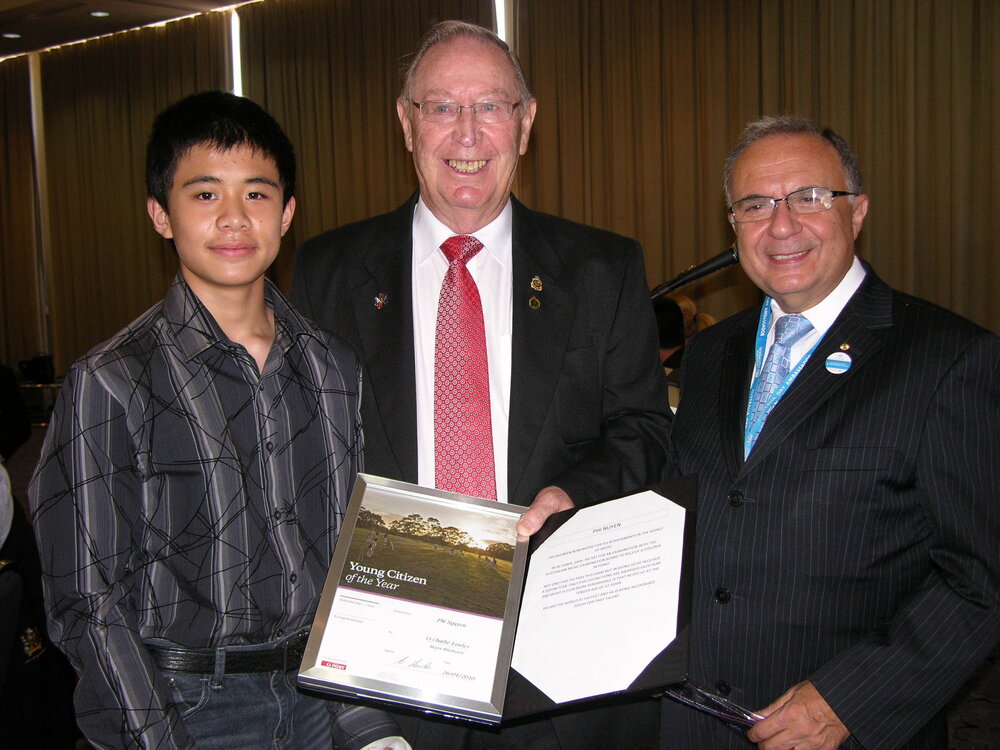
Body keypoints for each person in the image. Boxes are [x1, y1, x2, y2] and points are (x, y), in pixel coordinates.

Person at [293, 20, 670, 750]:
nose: (467, 134)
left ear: (526, 124)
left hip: (556, 655)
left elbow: (644, 430)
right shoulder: (328, 272)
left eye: (491, 106)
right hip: (394, 656)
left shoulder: (601, 269)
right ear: (406, 124)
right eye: (441, 107)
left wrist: (574, 494)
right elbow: (307, 454)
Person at [30, 91, 404, 750]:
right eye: (205, 195)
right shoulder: (113, 381)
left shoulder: (331, 367)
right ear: (160, 215)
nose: (234, 218)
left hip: (321, 698)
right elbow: (87, 602)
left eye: (257, 195)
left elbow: (354, 556)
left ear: (287, 214)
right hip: (187, 707)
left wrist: (367, 723)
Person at [662, 115, 1000, 749]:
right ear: (733, 228)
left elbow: (983, 576)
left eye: (811, 197)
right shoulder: (708, 356)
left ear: (859, 212)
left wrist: (850, 699)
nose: (781, 225)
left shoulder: (948, 359)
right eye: (755, 205)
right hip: (695, 723)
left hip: (843, 731)